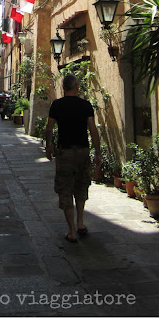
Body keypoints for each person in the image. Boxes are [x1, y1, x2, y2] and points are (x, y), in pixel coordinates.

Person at [45, 74, 101, 243]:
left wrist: (48, 146)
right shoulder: (85, 105)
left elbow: (49, 128)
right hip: (83, 151)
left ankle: (72, 231)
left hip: (65, 153)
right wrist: (97, 152)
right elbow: (93, 130)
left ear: (63, 87)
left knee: (65, 189)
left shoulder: (57, 105)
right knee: (81, 186)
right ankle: (81, 223)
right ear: (76, 86)